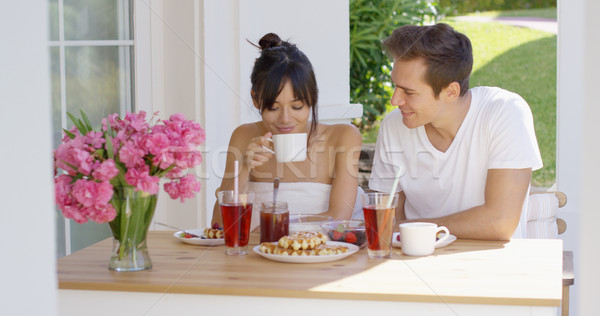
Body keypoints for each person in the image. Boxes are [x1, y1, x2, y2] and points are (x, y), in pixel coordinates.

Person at [369, 23, 542, 240]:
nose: (395, 100)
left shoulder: (505, 112)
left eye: (409, 92)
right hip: (418, 261)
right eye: (395, 86)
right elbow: (387, 220)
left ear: (450, 92)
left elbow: (501, 222)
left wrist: (415, 229)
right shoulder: (394, 126)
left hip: (493, 265)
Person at [211, 33, 363, 230]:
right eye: (273, 108)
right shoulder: (243, 136)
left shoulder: (343, 137)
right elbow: (218, 225)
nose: (285, 119)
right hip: (257, 258)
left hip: (325, 256)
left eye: (297, 107)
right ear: (256, 100)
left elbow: (338, 221)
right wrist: (244, 168)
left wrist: (272, 230)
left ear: (312, 99)